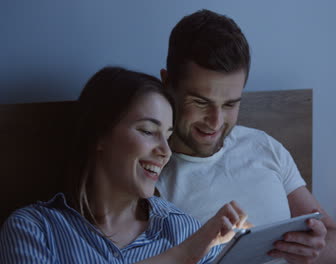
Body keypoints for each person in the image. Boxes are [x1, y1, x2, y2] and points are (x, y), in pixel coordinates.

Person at [156, 9, 336, 264]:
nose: (216, 122)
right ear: (167, 83)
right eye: (201, 102)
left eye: (229, 105)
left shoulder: (263, 146)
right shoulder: (148, 174)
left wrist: (313, 252)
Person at [0, 66, 248, 263]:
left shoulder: (183, 229)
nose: (165, 151)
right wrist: (183, 256)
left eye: (168, 136)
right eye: (148, 131)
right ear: (99, 134)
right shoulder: (34, 230)